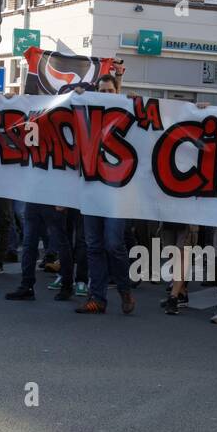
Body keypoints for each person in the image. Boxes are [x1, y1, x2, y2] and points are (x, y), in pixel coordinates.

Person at [77, 73, 135, 314]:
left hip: (117, 193)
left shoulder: (129, 112)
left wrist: (200, 109)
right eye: (100, 91)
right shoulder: (87, 112)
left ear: (117, 92)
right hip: (92, 190)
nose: (104, 95)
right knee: (93, 245)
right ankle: (97, 297)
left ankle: (124, 289)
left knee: (113, 244)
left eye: (109, 91)